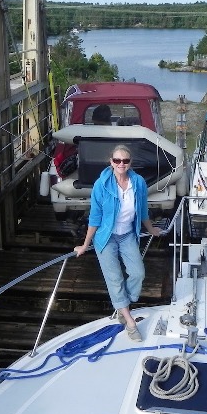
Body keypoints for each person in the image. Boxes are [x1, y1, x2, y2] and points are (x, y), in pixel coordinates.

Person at [74, 144, 164, 341]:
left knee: (138, 273)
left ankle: (123, 305)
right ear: (111, 162)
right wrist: (84, 244)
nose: (121, 164)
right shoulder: (102, 185)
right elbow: (95, 218)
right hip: (106, 238)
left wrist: (151, 229)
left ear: (130, 163)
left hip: (127, 235)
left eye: (125, 160)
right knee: (114, 279)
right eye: (117, 160)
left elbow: (142, 210)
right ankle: (129, 321)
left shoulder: (138, 182)